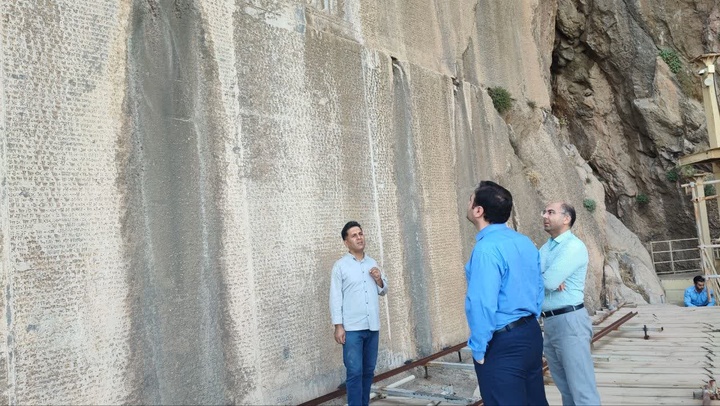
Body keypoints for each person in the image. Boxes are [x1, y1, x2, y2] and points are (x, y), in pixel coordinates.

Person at [464, 181, 548, 406]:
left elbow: (482, 303)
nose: (468, 203)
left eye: (471, 199)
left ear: (479, 211)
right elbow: (539, 287)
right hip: (530, 333)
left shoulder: (486, 249)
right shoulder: (524, 242)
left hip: (502, 342)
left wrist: (479, 349)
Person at [539, 201, 601, 406]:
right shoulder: (546, 248)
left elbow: (547, 281)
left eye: (551, 212)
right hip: (550, 322)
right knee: (566, 389)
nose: (545, 216)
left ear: (566, 219)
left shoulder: (574, 246)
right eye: (544, 212)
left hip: (570, 320)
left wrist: (548, 278)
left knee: (582, 390)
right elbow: (539, 279)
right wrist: (548, 278)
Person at [329, 221, 388, 406]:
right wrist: (338, 326)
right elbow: (335, 297)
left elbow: (384, 290)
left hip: (372, 327)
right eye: (354, 235)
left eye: (360, 233)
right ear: (346, 242)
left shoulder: (372, 262)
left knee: (369, 371)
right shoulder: (340, 266)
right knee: (354, 372)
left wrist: (379, 279)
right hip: (352, 328)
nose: (359, 237)